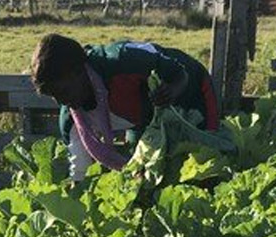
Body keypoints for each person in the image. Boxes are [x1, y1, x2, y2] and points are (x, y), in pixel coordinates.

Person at [29, 33, 219, 180]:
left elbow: (179, 73)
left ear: (78, 72)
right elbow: (79, 171)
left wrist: (172, 90)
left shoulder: (121, 61)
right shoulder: (73, 120)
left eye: (63, 91)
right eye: (53, 96)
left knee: (209, 159)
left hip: (191, 91)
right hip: (146, 120)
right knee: (143, 175)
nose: (61, 101)